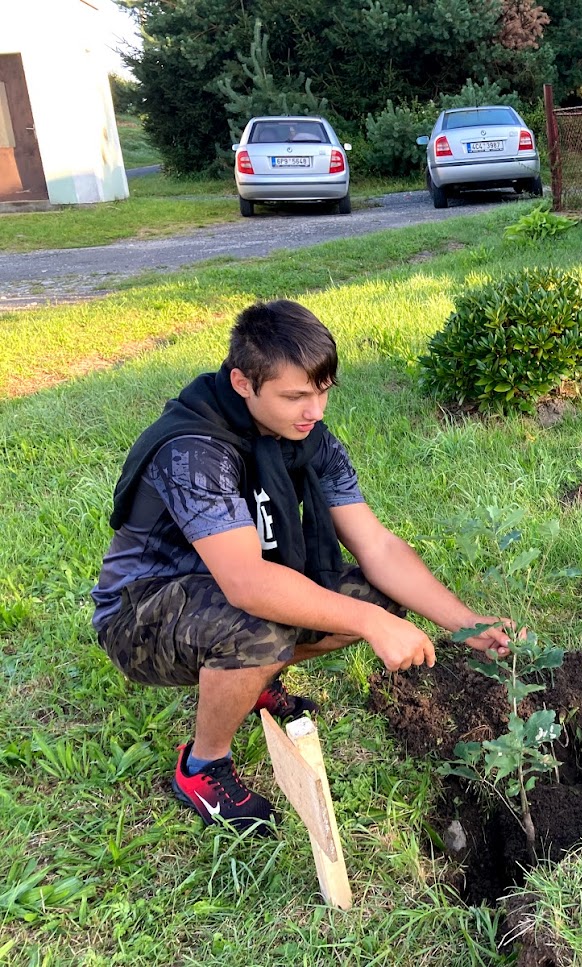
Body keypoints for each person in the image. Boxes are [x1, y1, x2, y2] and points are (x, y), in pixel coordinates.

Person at [92, 300, 515, 834]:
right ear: (243, 382)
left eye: (322, 391)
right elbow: (247, 584)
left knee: (372, 595)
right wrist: (372, 627)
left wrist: (468, 625)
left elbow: (378, 547)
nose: (313, 411)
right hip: (139, 612)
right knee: (259, 624)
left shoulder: (308, 437)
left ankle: (252, 680)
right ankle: (203, 766)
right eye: (294, 396)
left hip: (218, 591)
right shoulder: (196, 449)